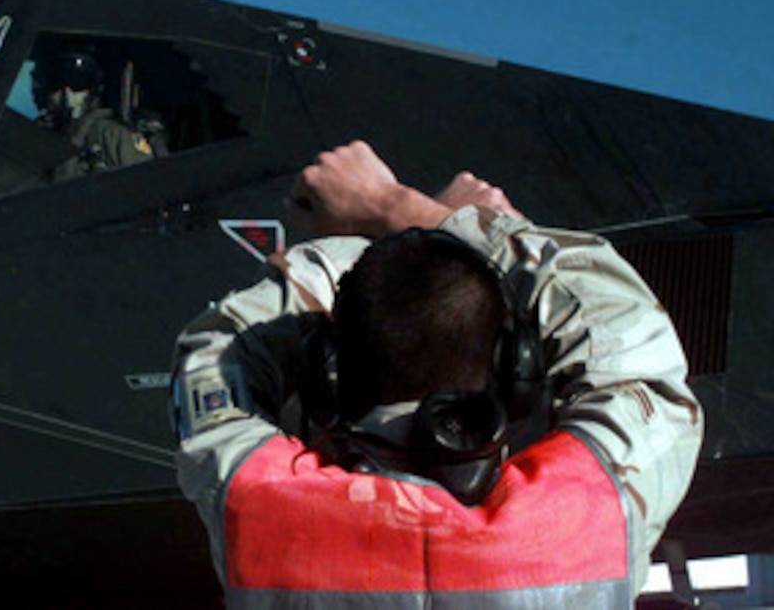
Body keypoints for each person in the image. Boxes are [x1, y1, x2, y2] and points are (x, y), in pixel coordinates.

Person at [171, 140, 702, 607]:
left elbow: (215, 351)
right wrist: (403, 211)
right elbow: (625, 334)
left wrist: (358, 248)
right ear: (512, 368)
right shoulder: (594, 514)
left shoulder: (260, 504)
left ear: (326, 366)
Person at [31, 50, 155, 181]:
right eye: (55, 83)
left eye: (77, 81)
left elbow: (147, 186)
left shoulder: (110, 134)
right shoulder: (38, 136)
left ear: (94, 90)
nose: (67, 92)